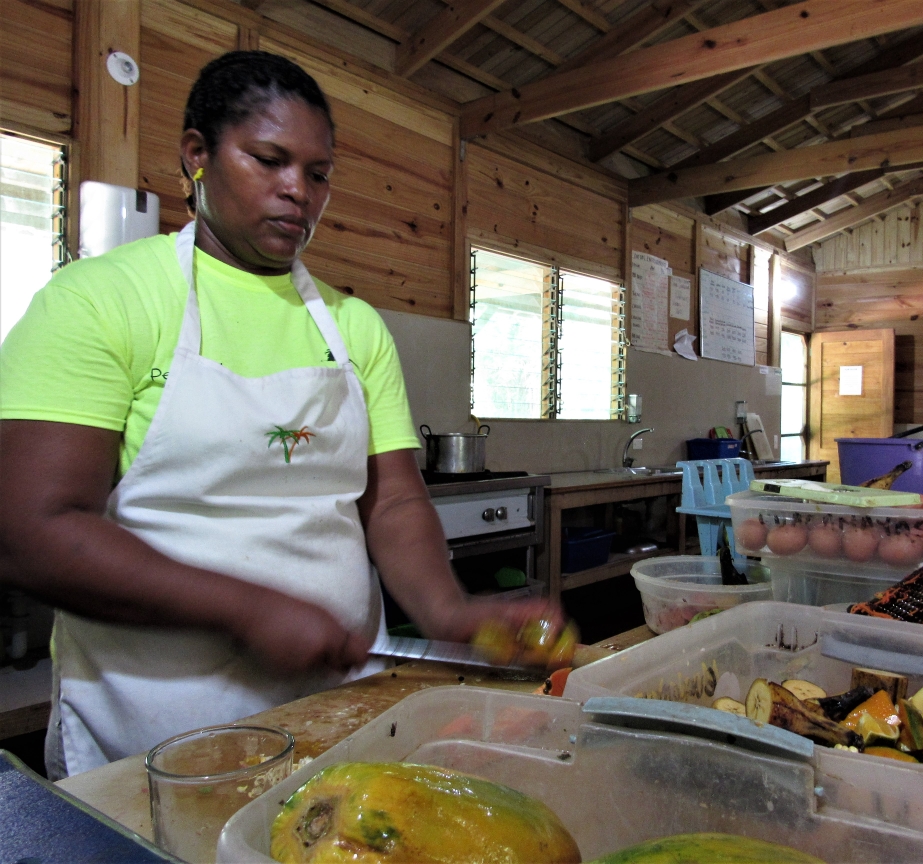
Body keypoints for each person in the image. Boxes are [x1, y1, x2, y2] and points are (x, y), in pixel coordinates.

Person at [0, 51, 563, 779]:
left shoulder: (352, 324)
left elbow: (390, 501)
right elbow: (31, 530)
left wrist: (449, 613)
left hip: (338, 712)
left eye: (318, 173)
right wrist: (245, 609)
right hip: (154, 738)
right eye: (268, 160)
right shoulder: (100, 300)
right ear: (197, 155)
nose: (297, 191)